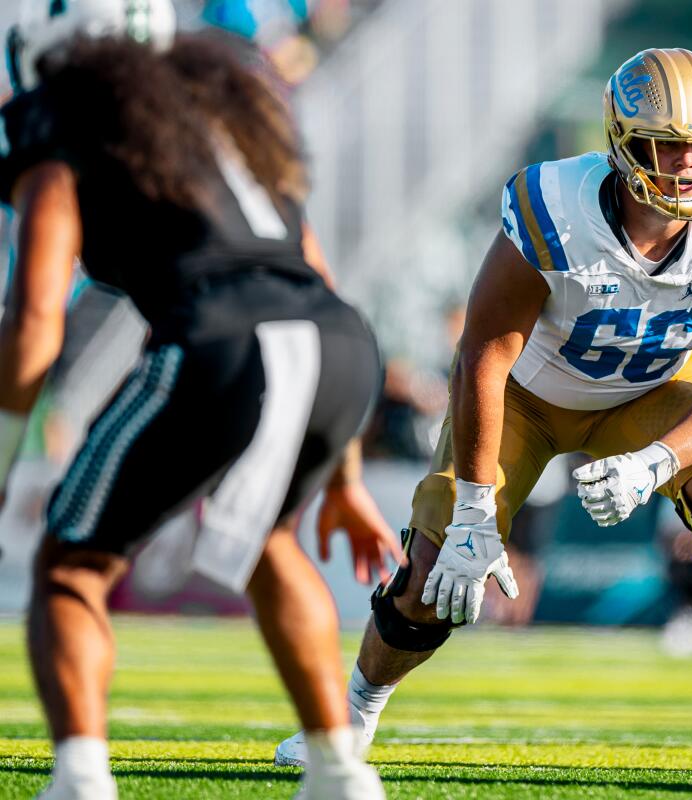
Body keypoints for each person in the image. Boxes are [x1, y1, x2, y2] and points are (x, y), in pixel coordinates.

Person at [275, 46, 692, 775]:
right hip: (524, 395)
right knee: (434, 570)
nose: (691, 164)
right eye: (670, 145)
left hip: (646, 392)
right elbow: (483, 355)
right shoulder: (554, 209)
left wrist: (659, 462)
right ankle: (353, 714)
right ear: (624, 143)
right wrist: (469, 512)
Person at [0, 2, 401, 798]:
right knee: (267, 541)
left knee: (72, 563)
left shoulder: (68, 116)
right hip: (338, 342)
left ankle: (80, 776)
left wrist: (6, 447)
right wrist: (346, 475)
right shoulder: (229, 108)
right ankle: (338, 771)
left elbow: (39, 312)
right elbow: (312, 272)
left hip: (220, 340)